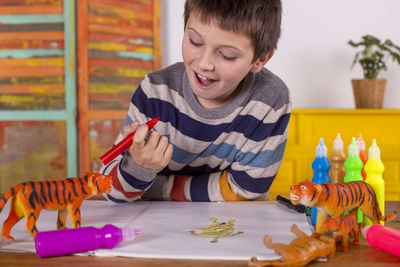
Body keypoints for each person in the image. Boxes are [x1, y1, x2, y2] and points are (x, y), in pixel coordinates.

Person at [100, 0, 291, 202]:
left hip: (233, 225)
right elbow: (109, 189)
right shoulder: (155, 93)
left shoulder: (270, 100)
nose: (204, 63)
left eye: (227, 55)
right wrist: (138, 167)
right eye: (195, 42)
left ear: (260, 59)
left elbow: (245, 190)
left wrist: (160, 188)